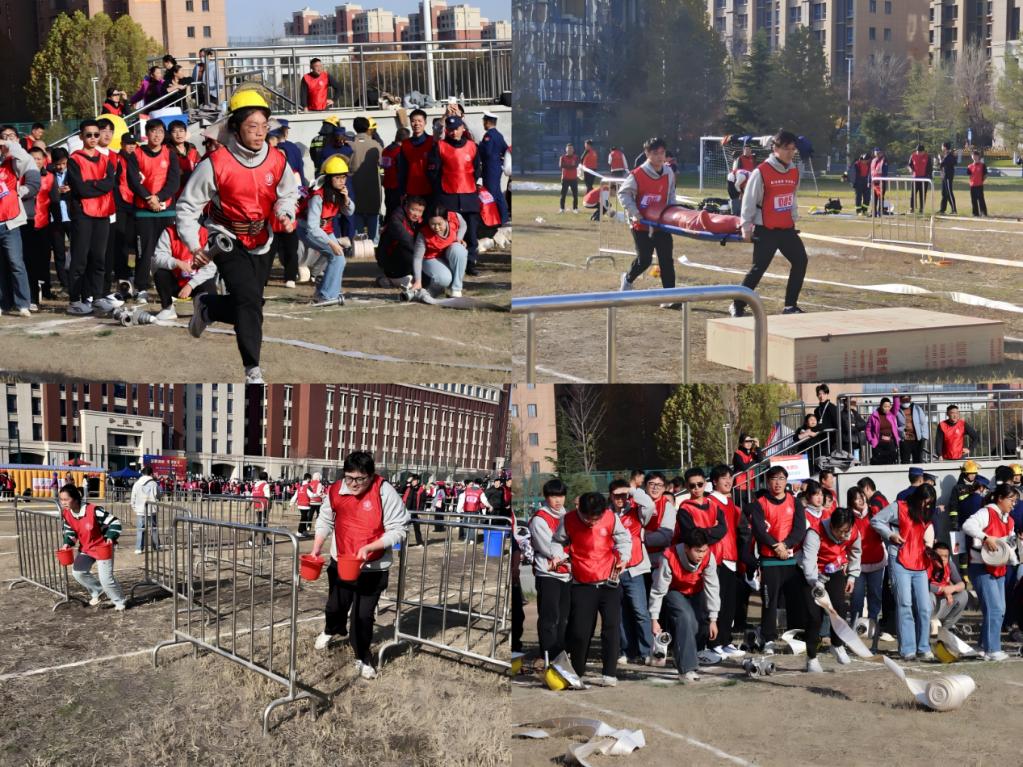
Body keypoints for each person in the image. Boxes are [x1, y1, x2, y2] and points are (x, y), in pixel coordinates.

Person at [176, 90, 300, 384]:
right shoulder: (215, 163)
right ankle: (253, 371)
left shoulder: (276, 159)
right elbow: (187, 207)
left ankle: (208, 307)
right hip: (226, 238)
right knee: (248, 301)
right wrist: (194, 245)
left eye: (264, 126)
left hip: (263, 240)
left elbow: (288, 193)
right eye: (252, 126)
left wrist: (285, 212)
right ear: (235, 127)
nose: (259, 133)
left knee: (252, 304)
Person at [309, 451, 410, 679]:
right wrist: (316, 547)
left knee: (363, 616)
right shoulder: (336, 490)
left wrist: (371, 547)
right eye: (349, 478)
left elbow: (399, 529)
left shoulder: (384, 491)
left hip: (373, 567)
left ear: (371, 476)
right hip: (341, 561)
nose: (354, 484)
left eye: (360, 479)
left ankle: (362, 657)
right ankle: (331, 629)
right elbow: (325, 519)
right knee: (335, 607)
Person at [551, 491, 631, 685]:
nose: (592, 522)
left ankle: (609, 673)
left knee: (611, 628)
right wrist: (557, 556)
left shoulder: (610, 517)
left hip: (609, 582)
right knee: (580, 630)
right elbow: (557, 541)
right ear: (580, 510)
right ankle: (577, 672)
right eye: (588, 518)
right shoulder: (568, 520)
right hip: (582, 583)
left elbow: (624, 539)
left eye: (596, 518)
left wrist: (624, 558)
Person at [733, 129, 808, 317]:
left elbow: (792, 196)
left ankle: (790, 305)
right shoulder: (761, 171)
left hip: (787, 229)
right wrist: (746, 227)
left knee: (800, 261)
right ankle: (737, 305)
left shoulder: (794, 171)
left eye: (793, 149)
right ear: (775, 148)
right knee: (758, 269)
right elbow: (749, 201)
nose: (790, 152)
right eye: (786, 148)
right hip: (765, 230)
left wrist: (793, 217)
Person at [871, 483, 937, 660]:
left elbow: (928, 531)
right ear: (917, 498)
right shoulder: (899, 507)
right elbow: (876, 520)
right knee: (905, 603)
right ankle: (908, 648)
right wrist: (890, 534)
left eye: (929, 503)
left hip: (920, 562)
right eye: (924, 501)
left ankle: (923, 647)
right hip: (900, 559)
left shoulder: (926, 513)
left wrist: (930, 546)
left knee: (924, 607)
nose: (926, 505)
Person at [747, 465, 807, 652]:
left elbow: (800, 529)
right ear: (767, 482)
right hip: (769, 560)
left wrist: (786, 545)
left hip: (790, 560)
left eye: (781, 478)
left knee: (795, 601)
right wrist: (776, 546)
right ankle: (768, 639)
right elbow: (759, 530)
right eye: (774, 478)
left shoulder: (794, 502)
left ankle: (795, 638)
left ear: (786, 481)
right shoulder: (760, 503)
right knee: (769, 602)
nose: (778, 482)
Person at [649, 527, 720, 683]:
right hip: (673, 591)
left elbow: (712, 587)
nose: (701, 555)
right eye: (698, 551)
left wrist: (713, 619)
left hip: (696, 592)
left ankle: (680, 657)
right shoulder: (669, 556)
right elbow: (658, 589)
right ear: (686, 548)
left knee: (696, 625)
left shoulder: (709, 558)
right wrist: (654, 619)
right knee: (685, 618)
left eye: (704, 550)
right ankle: (686, 669)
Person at [961, 482, 1019, 660]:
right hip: (981, 567)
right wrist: (986, 537)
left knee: (998, 609)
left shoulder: (1009, 520)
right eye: (1011, 500)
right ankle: (992, 649)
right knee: (995, 608)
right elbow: (967, 526)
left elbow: (1010, 543)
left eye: (1015, 501)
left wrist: (1013, 556)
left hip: (1000, 566)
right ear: (1000, 498)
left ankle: (982, 645)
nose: (1013, 504)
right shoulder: (986, 512)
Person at [66, 120, 117, 316]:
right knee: (80, 258)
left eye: (96, 134)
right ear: (81, 137)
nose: (94, 138)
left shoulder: (106, 159)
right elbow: (80, 188)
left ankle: (97, 297)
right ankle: (75, 300)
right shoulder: (74, 159)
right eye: (89, 135)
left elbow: (110, 184)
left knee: (98, 258)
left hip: (103, 213)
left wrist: (92, 185)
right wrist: (99, 185)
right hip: (83, 214)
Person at [127, 119, 181, 304]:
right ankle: (141, 288)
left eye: (160, 131)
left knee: (169, 252)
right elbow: (133, 181)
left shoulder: (170, 154)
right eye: (153, 131)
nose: (157, 135)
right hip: (144, 211)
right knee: (144, 252)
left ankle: (171, 288)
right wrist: (149, 198)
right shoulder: (136, 154)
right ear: (147, 134)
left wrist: (159, 197)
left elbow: (174, 182)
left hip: (166, 211)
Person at [618, 137, 676, 299]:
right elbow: (623, 194)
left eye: (662, 153)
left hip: (661, 224)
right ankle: (628, 279)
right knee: (644, 260)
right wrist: (635, 213)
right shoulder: (637, 174)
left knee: (666, 260)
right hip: (641, 225)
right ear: (647, 153)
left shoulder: (669, 172)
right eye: (655, 153)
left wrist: (672, 212)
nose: (659, 156)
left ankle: (671, 297)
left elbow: (671, 194)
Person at [607, 478, 654, 665]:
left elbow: (649, 504)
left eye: (623, 495)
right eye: (616, 495)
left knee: (640, 612)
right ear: (610, 496)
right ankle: (626, 651)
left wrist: (632, 490)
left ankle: (647, 651)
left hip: (635, 568)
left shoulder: (637, 511)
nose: (620, 499)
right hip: (613, 570)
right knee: (620, 614)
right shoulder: (606, 515)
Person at [58, 483, 127, 610]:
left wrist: (110, 536)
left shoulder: (94, 510)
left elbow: (115, 522)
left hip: (102, 547)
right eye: (61, 499)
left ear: (75, 499)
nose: (63, 502)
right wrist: (67, 543)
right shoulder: (67, 514)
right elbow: (70, 532)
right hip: (86, 548)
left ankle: (119, 601)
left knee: (106, 579)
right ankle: (99, 591)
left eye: (66, 499)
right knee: (78, 572)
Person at [429, 115, 482, 276]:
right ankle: (449, 261)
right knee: (449, 230)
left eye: (456, 129)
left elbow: (477, 170)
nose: (453, 132)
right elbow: (433, 172)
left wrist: (470, 184)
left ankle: (471, 262)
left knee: (471, 231)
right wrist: (441, 191)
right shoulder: (440, 146)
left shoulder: (472, 146)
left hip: (469, 195)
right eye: (450, 129)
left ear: (462, 129)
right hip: (448, 196)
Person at [299, 155, 354, 307]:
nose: (342, 181)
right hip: (307, 230)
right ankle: (327, 295)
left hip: (325, 229)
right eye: (337, 177)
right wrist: (331, 243)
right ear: (329, 178)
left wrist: (346, 199)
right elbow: (312, 227)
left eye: (344, 177)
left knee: (338, 257)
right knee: (337, 256)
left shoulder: (339, 192)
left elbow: (349, 212)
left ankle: (321, 286)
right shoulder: (318, 196)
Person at [528, 479, 572, 664]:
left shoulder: (567, 516)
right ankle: (547, 654)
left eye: (561, 496)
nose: (558, 500)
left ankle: (560, 653)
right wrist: (572, 553)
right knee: (549, 618)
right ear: (546, 497)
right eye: (554, 496)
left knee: (564, 618)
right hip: (548, 574)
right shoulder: (539, 519)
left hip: (567, 574)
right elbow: (549, 548)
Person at [151, 222, 217, 321]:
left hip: (197, 283)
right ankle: (167, 308)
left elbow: (211, 268)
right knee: (160, 273)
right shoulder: (169, 232)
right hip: (176, 283)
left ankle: (203, 307)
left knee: (209, 280)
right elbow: (157, 258)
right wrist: (176, 263)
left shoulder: (205, 233)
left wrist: (191, 285)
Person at [848, 485, 886, 642]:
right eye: (856, 499)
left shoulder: (874, 512)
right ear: (851, 502)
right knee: (856, 597)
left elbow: (885, 529)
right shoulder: (849, 517)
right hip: (857, 564)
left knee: (875, 595)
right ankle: (854, 627)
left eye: (862, 497)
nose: (861, 500)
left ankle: (873, 626)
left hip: (876, 560)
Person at [412, 203, 468, 299]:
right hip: (431, 258)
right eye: (433, 224)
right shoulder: (423, 233)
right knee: (444, 279)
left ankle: (456, 289)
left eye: (439, 224)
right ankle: (430, 290)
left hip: (448, 254)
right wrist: (418, 281)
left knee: (459, 249)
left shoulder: (454, 217)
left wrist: (459, 238)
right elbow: (417, 258)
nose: (436, 228)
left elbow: (463, 225)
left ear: (446, 220)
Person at [23, 146, 54, 308]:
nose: (36, 161)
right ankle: (31, 297)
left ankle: (44, 290)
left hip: (43, 224)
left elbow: (54, 202)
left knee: (42, 261)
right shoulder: (22, 176)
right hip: (25, 223)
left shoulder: (50, 177)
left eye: (39, 158)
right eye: (32, 158)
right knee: (28, 261)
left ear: (44, 160)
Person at [376, 195, 425, 289]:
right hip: (391, 262)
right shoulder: (396, 220)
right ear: (406, 206)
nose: (416, 214)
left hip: (406, 260)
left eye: (420, 211)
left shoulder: (419, 222)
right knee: (411, 251)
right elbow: (408, 242)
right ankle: (389, 279)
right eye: (413, 210)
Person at [348, 117, 382, 244]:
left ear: (354, 128)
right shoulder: (376, 145)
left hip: (355, 189)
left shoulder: (349, 145)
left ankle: (358, 246)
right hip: (373, 190)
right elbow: (384, 164)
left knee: (357, 219)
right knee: (373, 219)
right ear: (368, 128)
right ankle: (374, 245)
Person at [928, 542, 968, 635]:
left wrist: (952, 589)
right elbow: (923, 585)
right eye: (939, 556)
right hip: (930, 604)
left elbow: (961, 584)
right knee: (929, 596)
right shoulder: (926, 564)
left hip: (943, 602)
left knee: (963, 594)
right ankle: (925, 628)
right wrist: (943, 590)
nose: (943, 559)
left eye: (945, 556)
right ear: (932, 556)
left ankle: (945, 629)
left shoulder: (949, 564)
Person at [398, 109, 434, 203]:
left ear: (425, 122)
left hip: (431, 190)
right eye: (413, 121)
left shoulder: (432, 141)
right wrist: (402, 191)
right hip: (412, 190)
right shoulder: (405, 144)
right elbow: (402, 169)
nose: (416, 124)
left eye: (419, 121)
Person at [131, 465, 161, 553]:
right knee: (154, 528)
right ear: (151, 473)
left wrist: (135, 507)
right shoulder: (154, 483)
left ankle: (139, 548)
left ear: (142, 473)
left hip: (140, 509)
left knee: (140, 529)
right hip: (152, 509)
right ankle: (156, 546)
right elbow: (158, 495)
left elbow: (133, 497)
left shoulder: (137, 483)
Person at [380, 127, 408, 220]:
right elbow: (402, 170)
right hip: (398, 187)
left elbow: (384, 167)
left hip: (387, 185)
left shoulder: (385, 150)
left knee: (389, 210)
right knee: (398, 213)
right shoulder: (401, 151)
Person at [865, 397, 899, 465]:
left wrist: (895, 396)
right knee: (879, 463)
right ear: (880, 406)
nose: (887, 408)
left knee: (891, 462)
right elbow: (868, 429)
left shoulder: (891, 414)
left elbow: (896, 406)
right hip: (879, 444)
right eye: (885, 406)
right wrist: (871, 440)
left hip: (890, 443)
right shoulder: (874, 416)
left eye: (888, 406)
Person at [401, 474, 429, 546]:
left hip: (415, 512)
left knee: (417, 528)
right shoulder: (408, 487)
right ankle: (402, 543)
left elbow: (423, 502)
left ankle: (419, 542)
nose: (413, 482)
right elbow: (400, 489)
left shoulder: (421, 490)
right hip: (406, 511)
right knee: (403, 527)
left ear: (418, 481)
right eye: (412, 480)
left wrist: (420, 511)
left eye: (414, 480)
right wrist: (407, 481)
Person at [907, 144, 932, 213]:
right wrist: (910, 169)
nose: (918, 153)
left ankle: (921, 209)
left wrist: (929, 177)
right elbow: (909, 165)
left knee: (922, 194)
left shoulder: (927, 157)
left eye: (920, 152)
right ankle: (912, 208)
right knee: (913, 194)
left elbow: (930, 168)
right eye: (917, 151)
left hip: (924, 178)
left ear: (923, 151)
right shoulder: (913, 156)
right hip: (915, 178)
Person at [291, 473, 315, 537]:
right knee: (303, 519)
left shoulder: (300, 487)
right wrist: (317, 495)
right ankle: (299, 531)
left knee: (305, 518)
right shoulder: (308, 486)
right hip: (306, 505)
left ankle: (304, 531)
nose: (310, 480)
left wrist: (291, 503)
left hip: (300, 504)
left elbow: (295, 496)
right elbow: (311, 495)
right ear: (308, 479)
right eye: (310, 479)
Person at [558, 143, 579, 214]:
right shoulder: (562, 157)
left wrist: (567, 166)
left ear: (573, 150)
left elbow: (576, 165)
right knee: (563, 194)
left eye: (571, 148)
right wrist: (570, 166)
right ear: (566, 149)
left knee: (575, 195)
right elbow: (561, 165)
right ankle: (562, 208)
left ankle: (575, 208)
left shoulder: (576, 157)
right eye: (568, 148)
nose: (570, 150)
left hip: (574, 179)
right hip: (565, 178)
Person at [966, 149, 988, 217]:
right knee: (973, 200)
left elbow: (985, 175)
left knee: (981, 199)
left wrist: (981, 181)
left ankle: (983, 212)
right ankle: (975, 213)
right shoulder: (969, 166)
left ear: (978, 156)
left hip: (979, 185)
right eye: (973, 155)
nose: (974, 157)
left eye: (975, 155)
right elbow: (969, 175)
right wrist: (972, 182)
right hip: (972, 186)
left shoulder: (982, 165)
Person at [869, 147, 888, 218]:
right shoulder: (873, 160)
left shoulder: (884, 161)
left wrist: (882, 181)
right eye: (876, 152)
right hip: (874, 182)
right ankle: (873, 212)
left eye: (878, 152)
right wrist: (869, 181)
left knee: (880, 198)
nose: (877, 154)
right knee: (874, 198)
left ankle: (880, 212)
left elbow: (885, 172)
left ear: (881, 153)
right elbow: (870, 172)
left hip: (880, 182)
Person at [938, 142, 957, 215]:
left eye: (942, 146)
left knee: (949, 192)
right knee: (944, 193)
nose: (941, 147)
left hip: (948, 176)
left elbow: (942, 164)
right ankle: (942, 209)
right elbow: (941, 165)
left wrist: (940, 159)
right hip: (944, 176)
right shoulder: (946, 155)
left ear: (945, 147)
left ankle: (954, 210)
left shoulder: (950, 155)